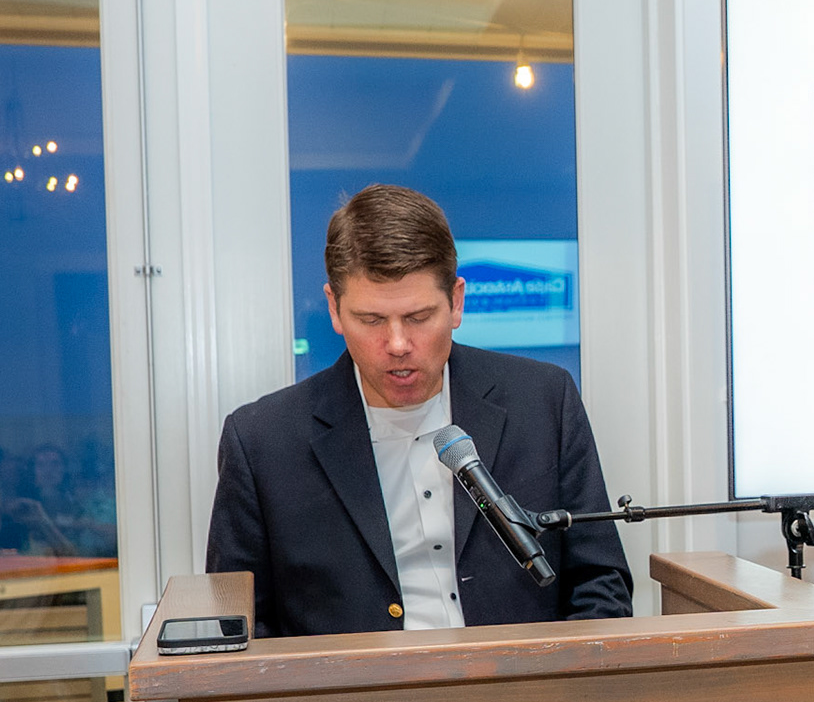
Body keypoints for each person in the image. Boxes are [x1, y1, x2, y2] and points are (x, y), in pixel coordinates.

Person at [206, 184, 632, 637]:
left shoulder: (543, 400)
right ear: (334, 308)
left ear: (456, 302)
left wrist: (557, 675)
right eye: (371, 320)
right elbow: (239, 625)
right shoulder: (262, 442)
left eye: (418, 317)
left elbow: (600, 583)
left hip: (522, 677)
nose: (397, 344)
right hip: (354, 683)